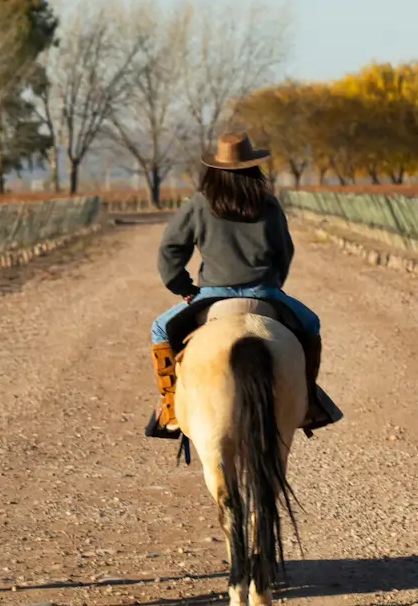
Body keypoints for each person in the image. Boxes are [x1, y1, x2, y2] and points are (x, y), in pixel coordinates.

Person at [146, 131, 341, 439]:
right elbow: (284, 253)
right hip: (264, 292)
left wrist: (184, 287)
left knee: (160, 329)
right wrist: (272, 286)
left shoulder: (199, 204)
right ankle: (309, 401)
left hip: (211, 295)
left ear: (215, 171)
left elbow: (170, 251)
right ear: (253, 168)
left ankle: (170, 405)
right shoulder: (269, 205)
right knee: (310, 324)